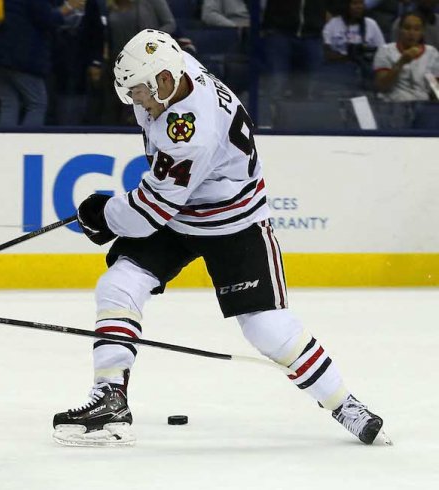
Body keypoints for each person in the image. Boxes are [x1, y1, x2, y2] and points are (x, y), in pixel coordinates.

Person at [51, 29, 390, 448]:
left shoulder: (189, 130)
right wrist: (111, 214)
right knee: (119, 285)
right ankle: (110, 396)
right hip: (182, 210)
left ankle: (344, 403)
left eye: (139, 91)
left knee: (267, 328)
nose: (135, 100)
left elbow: (148, 212)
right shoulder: (175, 69)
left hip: (233, 222)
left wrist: (104, 214)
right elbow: (161, 200)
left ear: (162, 81)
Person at [0, 0, 86, 127]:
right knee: (37, 103)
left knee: (9, 102)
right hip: (20, 57)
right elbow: (47, 19)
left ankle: (5, 144)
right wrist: (69, 7)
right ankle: (27, 144)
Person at [374, 12, 439, 101]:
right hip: (393, 106)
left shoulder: (432, 53)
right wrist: (401, 62)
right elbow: (382, 86)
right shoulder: (385, 50)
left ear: (422, 32)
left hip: (423, 106)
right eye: (407, 28)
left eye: (417, 29)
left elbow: (436, 90)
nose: (411, 33)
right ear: (400, 29)